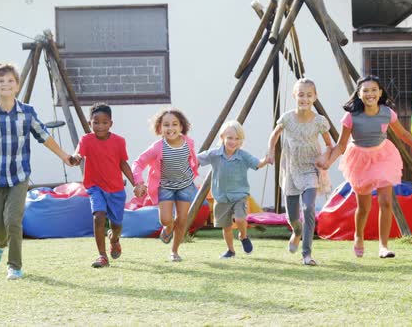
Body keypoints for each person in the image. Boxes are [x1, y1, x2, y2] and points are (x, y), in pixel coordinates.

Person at [0, 62, 75, 280]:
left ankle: (14, 266)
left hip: (20, 175)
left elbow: (45, 137)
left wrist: (64, 156)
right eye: (1, 81)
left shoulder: (27, 112)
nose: (6, 85)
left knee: (13, 220)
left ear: (17, 85)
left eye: (10, 81)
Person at [324, 75, 412, 259]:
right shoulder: (351, 117)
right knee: (364, 207)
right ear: (359, 95)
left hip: (383, 156)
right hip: (360, 159)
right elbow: (341, 145)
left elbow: (404, 134)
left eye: (374, 90)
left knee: (386, 201)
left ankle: (383, 246)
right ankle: (358, 236)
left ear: (380, 92)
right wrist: (328, 162)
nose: (370, 94)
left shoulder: (387, 112)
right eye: (366, 90)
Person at [267, 78, 333, 266]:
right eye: (301, 94)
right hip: (290, 170)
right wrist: (271, 152)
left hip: (310, 169)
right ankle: (296, 232)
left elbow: (329, 145)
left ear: (315, 97)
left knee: (309, 207)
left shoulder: (319, 121)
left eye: (309, 95)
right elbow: (274, 135)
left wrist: (325, 157)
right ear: (295, 96)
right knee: (293, 218)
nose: (304, 98)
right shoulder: (287, 118)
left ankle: (307, 254)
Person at [72, 103, 138, 268]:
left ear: (111, 123)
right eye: (96, 122)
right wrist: (75, 159)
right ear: (90, 123)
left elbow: (123, 164)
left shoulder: (119, 141)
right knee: (98, 216)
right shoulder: (86, 140)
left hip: (116, 189)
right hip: (95, 187)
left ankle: (114, 239)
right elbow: (78, 154)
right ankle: (102, 256)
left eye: (104, 122)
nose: (100, 126)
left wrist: (135, 184)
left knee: (116, 225)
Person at [132, 108, 199, 262]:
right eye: (166, 125)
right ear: (160, 128)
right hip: (166, 187)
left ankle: (174, 251)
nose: (171, 128)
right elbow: (139, 163)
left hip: (185, 186)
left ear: (181, 127)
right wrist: (139, 182)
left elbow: (191, 161)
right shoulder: (157, 147)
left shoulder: (188, 143)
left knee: (182, 220)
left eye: (175, 124)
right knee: (166, 219)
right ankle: (168, 228)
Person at [197, 120, 269, 259]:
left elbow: (257, 164)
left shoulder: (243, 156)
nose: (233, 142)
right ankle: (230, 250)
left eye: (237, 139)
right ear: (222, 137)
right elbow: (197, 159)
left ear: (241, 141)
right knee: (227, 227)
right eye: (229, 138)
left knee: (240, 219)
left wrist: (266, 159)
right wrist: (184, 158)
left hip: (239, 195)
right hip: (221, 197)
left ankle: (243, 236)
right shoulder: (215, 154)